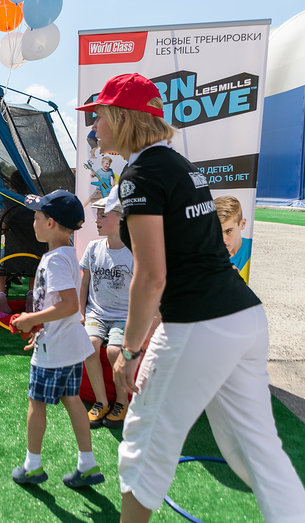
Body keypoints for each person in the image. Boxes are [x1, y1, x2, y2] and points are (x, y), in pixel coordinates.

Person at [77, 72, 305, 521]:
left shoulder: (141, 174)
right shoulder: (179, 166)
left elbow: (152, 276)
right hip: (243, 316)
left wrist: (132, 351)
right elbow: (185, 259)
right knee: (255, 453)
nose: (94, 126)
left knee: (141, 448)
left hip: (200, 325)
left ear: (122, 118)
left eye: (98, 115)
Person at [10, 190, 105, 488]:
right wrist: (40, 329)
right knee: (72, 399)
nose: (33, 222)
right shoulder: (64, 254)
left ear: (50, 223)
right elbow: (59, 305)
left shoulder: (54, 260)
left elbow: (68, 305)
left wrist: (30, 320)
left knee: (35, 402)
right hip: (66, 345)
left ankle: (32, 466)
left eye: (36, 217)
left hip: (54, 351)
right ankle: (87, 464)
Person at [79, 187, 133, 429]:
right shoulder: (93, 248)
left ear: (121, 217)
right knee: (89, 345)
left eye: (103, 215)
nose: (97, 220)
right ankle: (101, 402)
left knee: (114, 352)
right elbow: (84, 281)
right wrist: (81, 311)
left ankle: (121, 403)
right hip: (96, 314)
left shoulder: (133, 253)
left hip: (124, 316)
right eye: (97, 215)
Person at [0, 171, 48, 312]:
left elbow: (0, 229)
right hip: (34, 256)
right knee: (35, 263)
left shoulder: (11, 203)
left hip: (11, 257)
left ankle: (1, 295)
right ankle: (30, 295)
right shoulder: (37, 204)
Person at [215, 195, 252, 282]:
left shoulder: (252, 251)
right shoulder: (205, 253)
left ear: (242, 224)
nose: (223, 240)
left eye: (228, 231)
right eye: (217, 232)